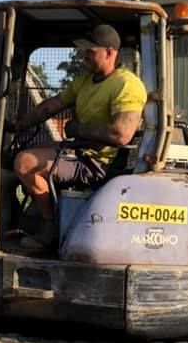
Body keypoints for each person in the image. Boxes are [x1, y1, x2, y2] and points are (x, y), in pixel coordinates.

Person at [13, 23, 149, 250]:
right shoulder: (85, 80)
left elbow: (121, 134)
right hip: (81, 151)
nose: (83, 54)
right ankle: (36, 214)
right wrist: (18, 125)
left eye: (90, 50)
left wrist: (77, 130)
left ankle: (50, 228)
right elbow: (50, 106)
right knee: (27, 151)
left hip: (99, 162)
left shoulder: (126, 84)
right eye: (84, 49)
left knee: (25, 163)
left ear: (109, 52)